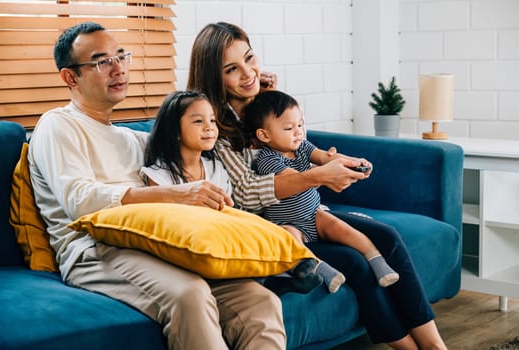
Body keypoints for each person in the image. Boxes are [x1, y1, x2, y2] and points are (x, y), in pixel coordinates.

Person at [186, 21, 447, 349]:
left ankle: (435, 345)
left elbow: (296, 150)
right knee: (355, 262)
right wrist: (318, 175)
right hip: (275, 227)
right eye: (232, 69)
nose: (248, 72)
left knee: (387, 237)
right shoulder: (213, 127)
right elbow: (246, 193)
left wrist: (327, 161)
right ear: (214, 77)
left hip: (308, 211)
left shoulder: (264, 104)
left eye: (250, 59)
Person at [28, 21, 287, 350]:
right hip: (94, 251)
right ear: (70, 77)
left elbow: (203, 133)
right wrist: (177, 194)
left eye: (122, 57)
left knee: (259, 302)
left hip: (157, 244)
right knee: (190, 295)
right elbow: (80, 201)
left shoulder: (134, 140)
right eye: (102, 61)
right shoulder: (58, 124)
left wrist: (253, 98)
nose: (118, 68)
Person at [140, 89, 323, 294]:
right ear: (175, 131)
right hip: (193, 240)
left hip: (224, 232)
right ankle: (279, 273)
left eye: (212, 120)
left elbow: (229, 210)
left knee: (261, 229)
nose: (209, 127)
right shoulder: (157, 175)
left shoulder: (215, 168)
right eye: (198, 121)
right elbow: (160, 221)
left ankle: (286, 270)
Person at [244, 89, 399, 289]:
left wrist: (352, 162)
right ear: (264, 135)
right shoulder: (267, 159)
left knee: (343, 229)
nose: (299, 131)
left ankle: (378, 262)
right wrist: (324, 174)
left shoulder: (301, 146)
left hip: (313, 214)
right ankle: (322, 270)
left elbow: (325, 156)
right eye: (289, 128)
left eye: (300, 124)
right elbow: (294, 179)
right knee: (292, 243)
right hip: (286, 222)